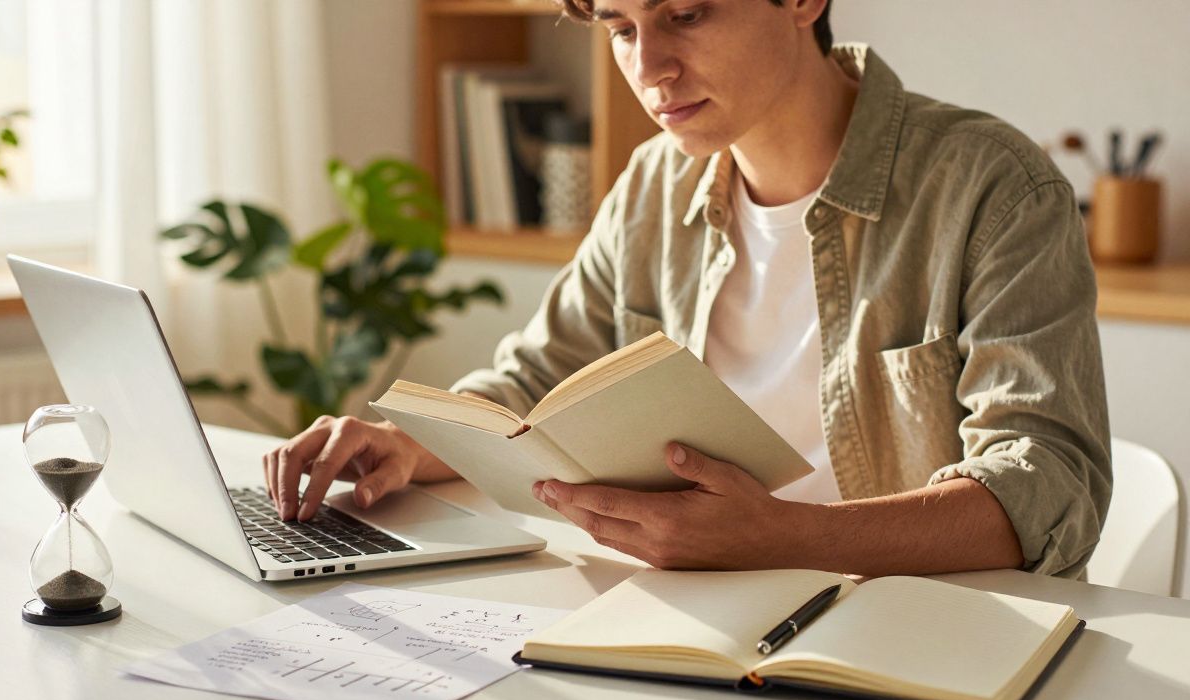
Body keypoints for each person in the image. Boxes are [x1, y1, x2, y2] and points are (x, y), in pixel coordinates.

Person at [263, 0, 1111, 579]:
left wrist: (785, 540)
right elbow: (531, 385)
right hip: (691, 618)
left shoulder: (991, 187)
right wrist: (408, 444)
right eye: (621, 26)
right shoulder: (652, 186)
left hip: (911, 631)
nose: (652, 68)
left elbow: (1046, 486)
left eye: (687, 13)